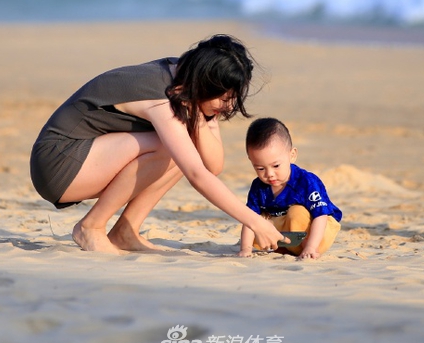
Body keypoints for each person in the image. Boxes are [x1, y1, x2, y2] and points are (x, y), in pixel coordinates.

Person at [30, 34, 287, 254]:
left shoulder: (186, 81)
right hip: (58, 162)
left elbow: (213, 165)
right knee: (170, 147)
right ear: (205, 83)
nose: (229, 106)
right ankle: (90, 227)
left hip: (89, 157)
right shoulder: (161, 98)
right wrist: (256, 222)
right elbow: (198, 174)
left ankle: (125, 232)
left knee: (180, 148)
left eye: (233, 98)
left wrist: (198, 117)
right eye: (224, 98)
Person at [238, 117, 342, 259]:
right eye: (260, 168)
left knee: (296, 212)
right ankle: (285, 247)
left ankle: (305, 247)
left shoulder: (306, 181)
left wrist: (311, 246)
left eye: (276, 166)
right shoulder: (259, 187)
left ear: (292, 155)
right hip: (285, 232)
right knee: (259, 218)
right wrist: (245, 248)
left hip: (316, 232)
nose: (269, 174)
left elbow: (321, 215)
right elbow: (250, 219)